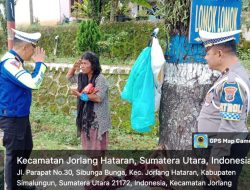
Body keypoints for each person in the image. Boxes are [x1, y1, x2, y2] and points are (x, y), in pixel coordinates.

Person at [197, 30, 250, 190]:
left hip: (225, 150)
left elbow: (229, 126)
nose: (205, 57)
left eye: (207, 52)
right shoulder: (229, 75)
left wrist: (216, 159)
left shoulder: (232, 82)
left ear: (219, 53)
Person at [0, 29, 47, 190]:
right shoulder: (10, 63)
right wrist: (40, 63)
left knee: (26, 148)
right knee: (14, 156)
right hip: (12, 118)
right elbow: (33, 83)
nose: (35, 52)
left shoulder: (16, 61)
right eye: (34, 47)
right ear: (26, 47)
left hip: (20, 116)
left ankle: (17, 184)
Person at [66, 51, 111, 180]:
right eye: (82, 63)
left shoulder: (100, 79)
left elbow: (98, 98)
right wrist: (74, 67)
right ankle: (94, 170)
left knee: (98, 148)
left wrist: (81, 95)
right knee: (91, 147)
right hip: (86, 117)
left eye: (85, 63)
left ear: (93, 64)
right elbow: (69, 78)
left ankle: (99, 171)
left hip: (98, 118)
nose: (82, 66)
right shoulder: (82, 76)